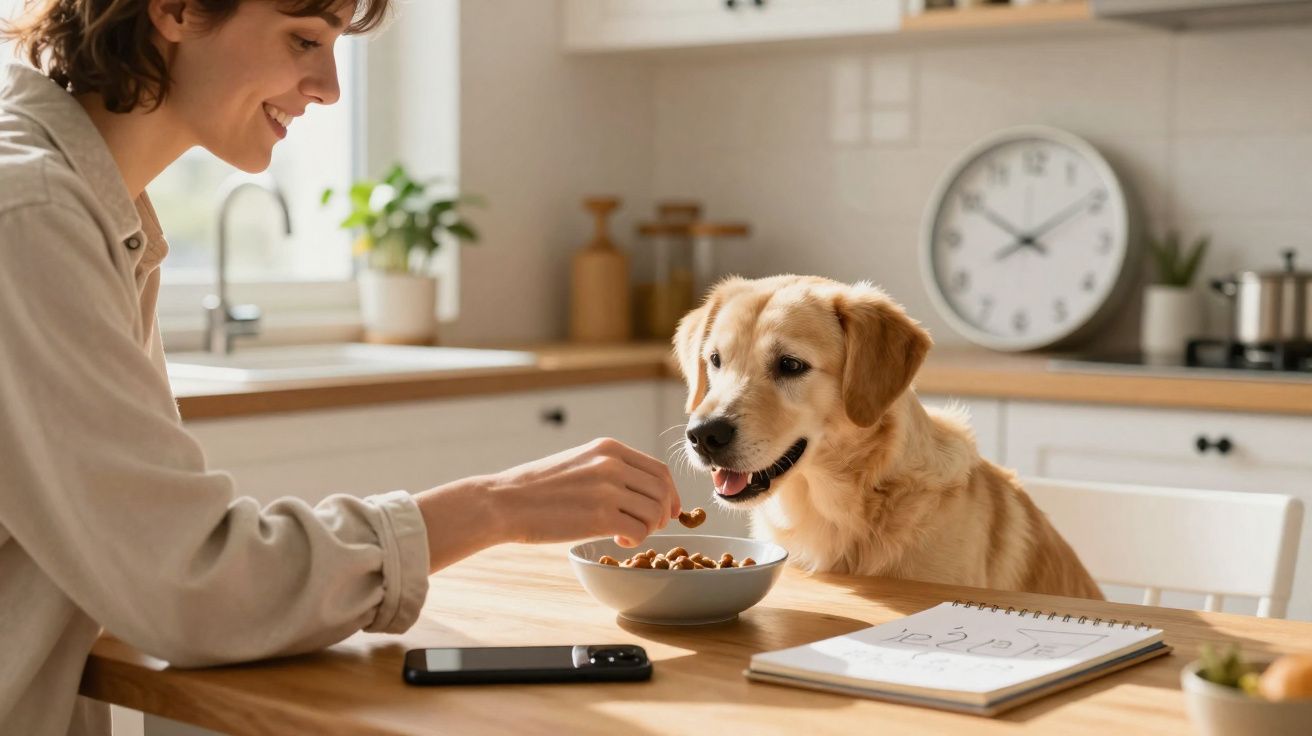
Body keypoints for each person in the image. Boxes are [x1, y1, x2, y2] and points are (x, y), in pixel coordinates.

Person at [0, 1, 681, 733]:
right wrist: (496, 504)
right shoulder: (32, 213)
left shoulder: (95, 211)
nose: (327, 87)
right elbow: (188, 585)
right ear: (177, 9)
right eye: (302, 40)